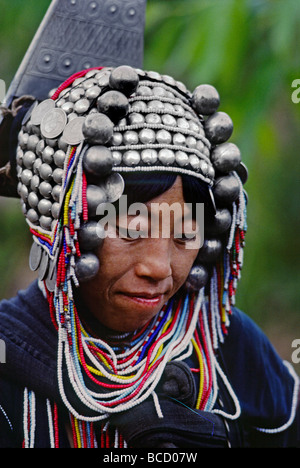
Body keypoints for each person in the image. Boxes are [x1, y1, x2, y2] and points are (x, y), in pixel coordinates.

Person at [0, 64, 299, 449]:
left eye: (186, 235)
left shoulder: (231, 346)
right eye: (131, 231)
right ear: (63, 225)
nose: (157, 267)